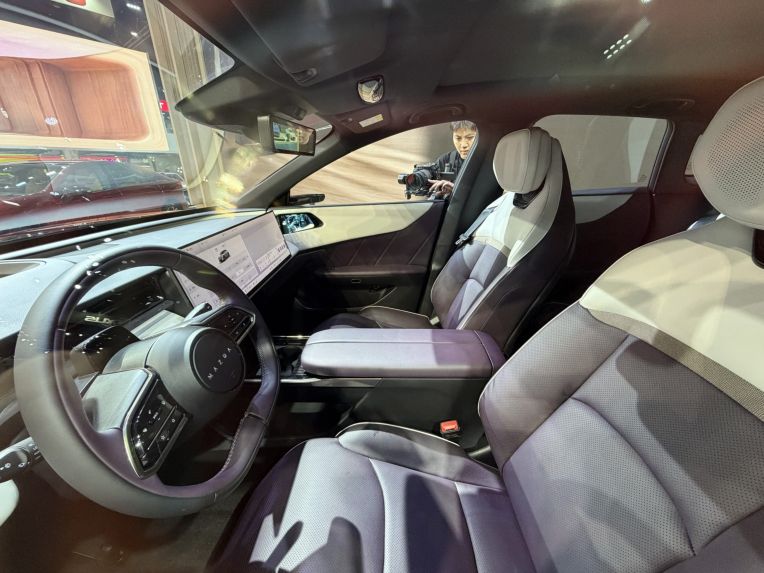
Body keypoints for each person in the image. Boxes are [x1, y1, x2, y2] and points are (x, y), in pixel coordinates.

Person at [426, 120, 477, 198]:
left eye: (470, 138)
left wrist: (455, 189)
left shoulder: (491, 162)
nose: (463, 145)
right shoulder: (444, 160)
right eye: (458, 138)